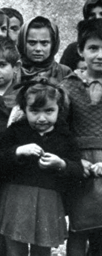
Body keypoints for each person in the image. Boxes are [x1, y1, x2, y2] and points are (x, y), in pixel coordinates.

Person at [0, 80, 83, 256]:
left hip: (49, 200)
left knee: (42, 249)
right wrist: (18, 151)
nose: (42, 118)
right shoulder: (16, 131)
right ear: (24, 110)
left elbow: (77, 170)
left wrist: (61, 164)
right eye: (34, 111)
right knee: (15, 247)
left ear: (59, 110)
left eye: (49, 111)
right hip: (17, 197)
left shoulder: (65, 136)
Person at [61, 19, 102, 256]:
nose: (99, 55)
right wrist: (77, 160)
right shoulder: (69, 86)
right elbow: (62, 130)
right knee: (79, 228)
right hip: (81, 165)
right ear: (80, 50)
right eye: (93, 48)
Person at [16, 16, 72, 84]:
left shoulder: (64, 72)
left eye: (44, 43)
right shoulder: (13, 71)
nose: (38, 49)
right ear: (23, 43)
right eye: (32, 43)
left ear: (53, 45)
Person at [60, 0, 102, 71]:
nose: (97, 18)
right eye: (92, 15)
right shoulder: (73, 50)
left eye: (101, 14)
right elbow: (62, 77)